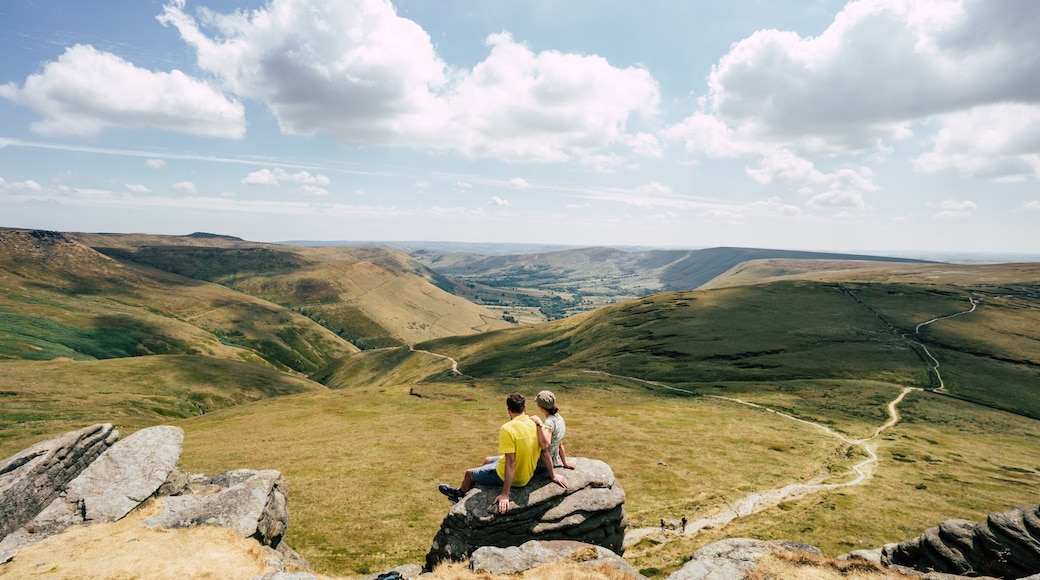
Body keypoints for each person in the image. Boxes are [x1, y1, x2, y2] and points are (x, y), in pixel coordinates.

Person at [439, 392, 567, 513]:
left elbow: (510, 462)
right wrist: (553, 475)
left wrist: (505, 494)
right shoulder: (536, 424)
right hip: (527, 473)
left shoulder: (507, 428)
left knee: (468, 474)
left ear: (508, 410)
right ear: (525, 408)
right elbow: (544, 452)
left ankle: (459, 495)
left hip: (516, 478)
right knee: (488, 460)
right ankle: (474, 488)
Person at [529, 390, 577, 470]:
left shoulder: (549, 422)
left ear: (541, 408)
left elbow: (545, 447)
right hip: (555, 460)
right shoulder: (559, 418)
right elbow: (560, 444)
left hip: (542, 465)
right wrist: (565, 462)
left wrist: (539, 424)